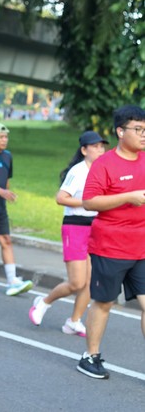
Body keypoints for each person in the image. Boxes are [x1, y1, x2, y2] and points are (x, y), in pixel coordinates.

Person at [76, 105, 145, 380]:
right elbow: (89, 201)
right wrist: (128, 197)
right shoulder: (105, 164)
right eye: (138, 129)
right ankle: (90, 356)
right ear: (120, 131)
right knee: (104, 302)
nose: (143, 134)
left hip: (142, 246)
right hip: (110, 246)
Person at [29, 131, 108, 336]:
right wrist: (87, 203)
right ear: (84, 150)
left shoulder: (103, 171)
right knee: (76, 282)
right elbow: (61, 198)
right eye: (95, 146)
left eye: (102, 146)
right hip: (75, 227)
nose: (100, 150)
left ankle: (73, 322)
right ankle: (43, 303)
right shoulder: (78, 171)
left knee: (90, 282)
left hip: (95, 228)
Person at [0, 122, 33, 296]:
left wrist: (6, 193)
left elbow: (6, 180)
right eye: (1, 137)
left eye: (6, 137)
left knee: (6, 241)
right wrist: (1, 191)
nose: (5, 140)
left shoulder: (8, 156)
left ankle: (12, 281)